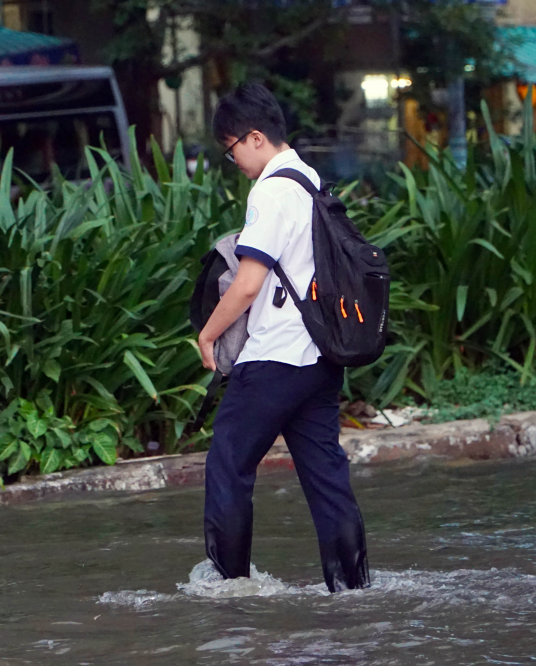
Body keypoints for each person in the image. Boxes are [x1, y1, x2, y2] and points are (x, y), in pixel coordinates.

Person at [197, 82, 370, 592]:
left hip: (274, 358)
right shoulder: (310, 181)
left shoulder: (271, 191)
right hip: (319, 357)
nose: (234, 162)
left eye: (231, 150)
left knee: (227, 464)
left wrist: (208, 335)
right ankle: (353, 588)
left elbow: (249, 283)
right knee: (327, 480)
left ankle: (230, 589)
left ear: (254, 137)